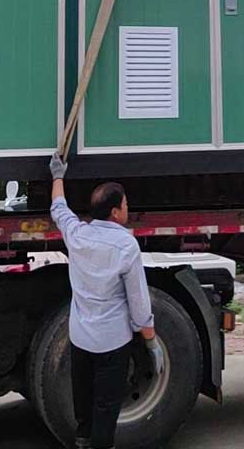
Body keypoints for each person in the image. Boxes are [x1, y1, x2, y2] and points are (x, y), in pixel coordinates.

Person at [49, 152, 163, 449]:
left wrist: (57, 175)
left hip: (81, 338)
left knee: (84, 404)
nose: (128, 208)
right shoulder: (126, 245)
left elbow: (58, 208)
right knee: (106, 407)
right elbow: (138, 302)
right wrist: (151, 341)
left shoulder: (77, 234)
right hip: (112, 342)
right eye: (125, 204)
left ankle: (82, 441)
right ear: (115, 212)